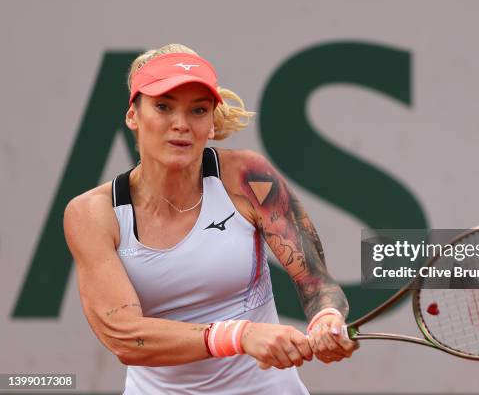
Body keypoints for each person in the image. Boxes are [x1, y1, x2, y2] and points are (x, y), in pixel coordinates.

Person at [63, 43, 357, 394]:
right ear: (133, 116)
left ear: (212, 125)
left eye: (198, 111)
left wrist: (327, 319)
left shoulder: (249, 177)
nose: (181, 124)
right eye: (163, 107)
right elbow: (125, 336)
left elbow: (318, 285)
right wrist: (239, 335)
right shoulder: (93, 214)